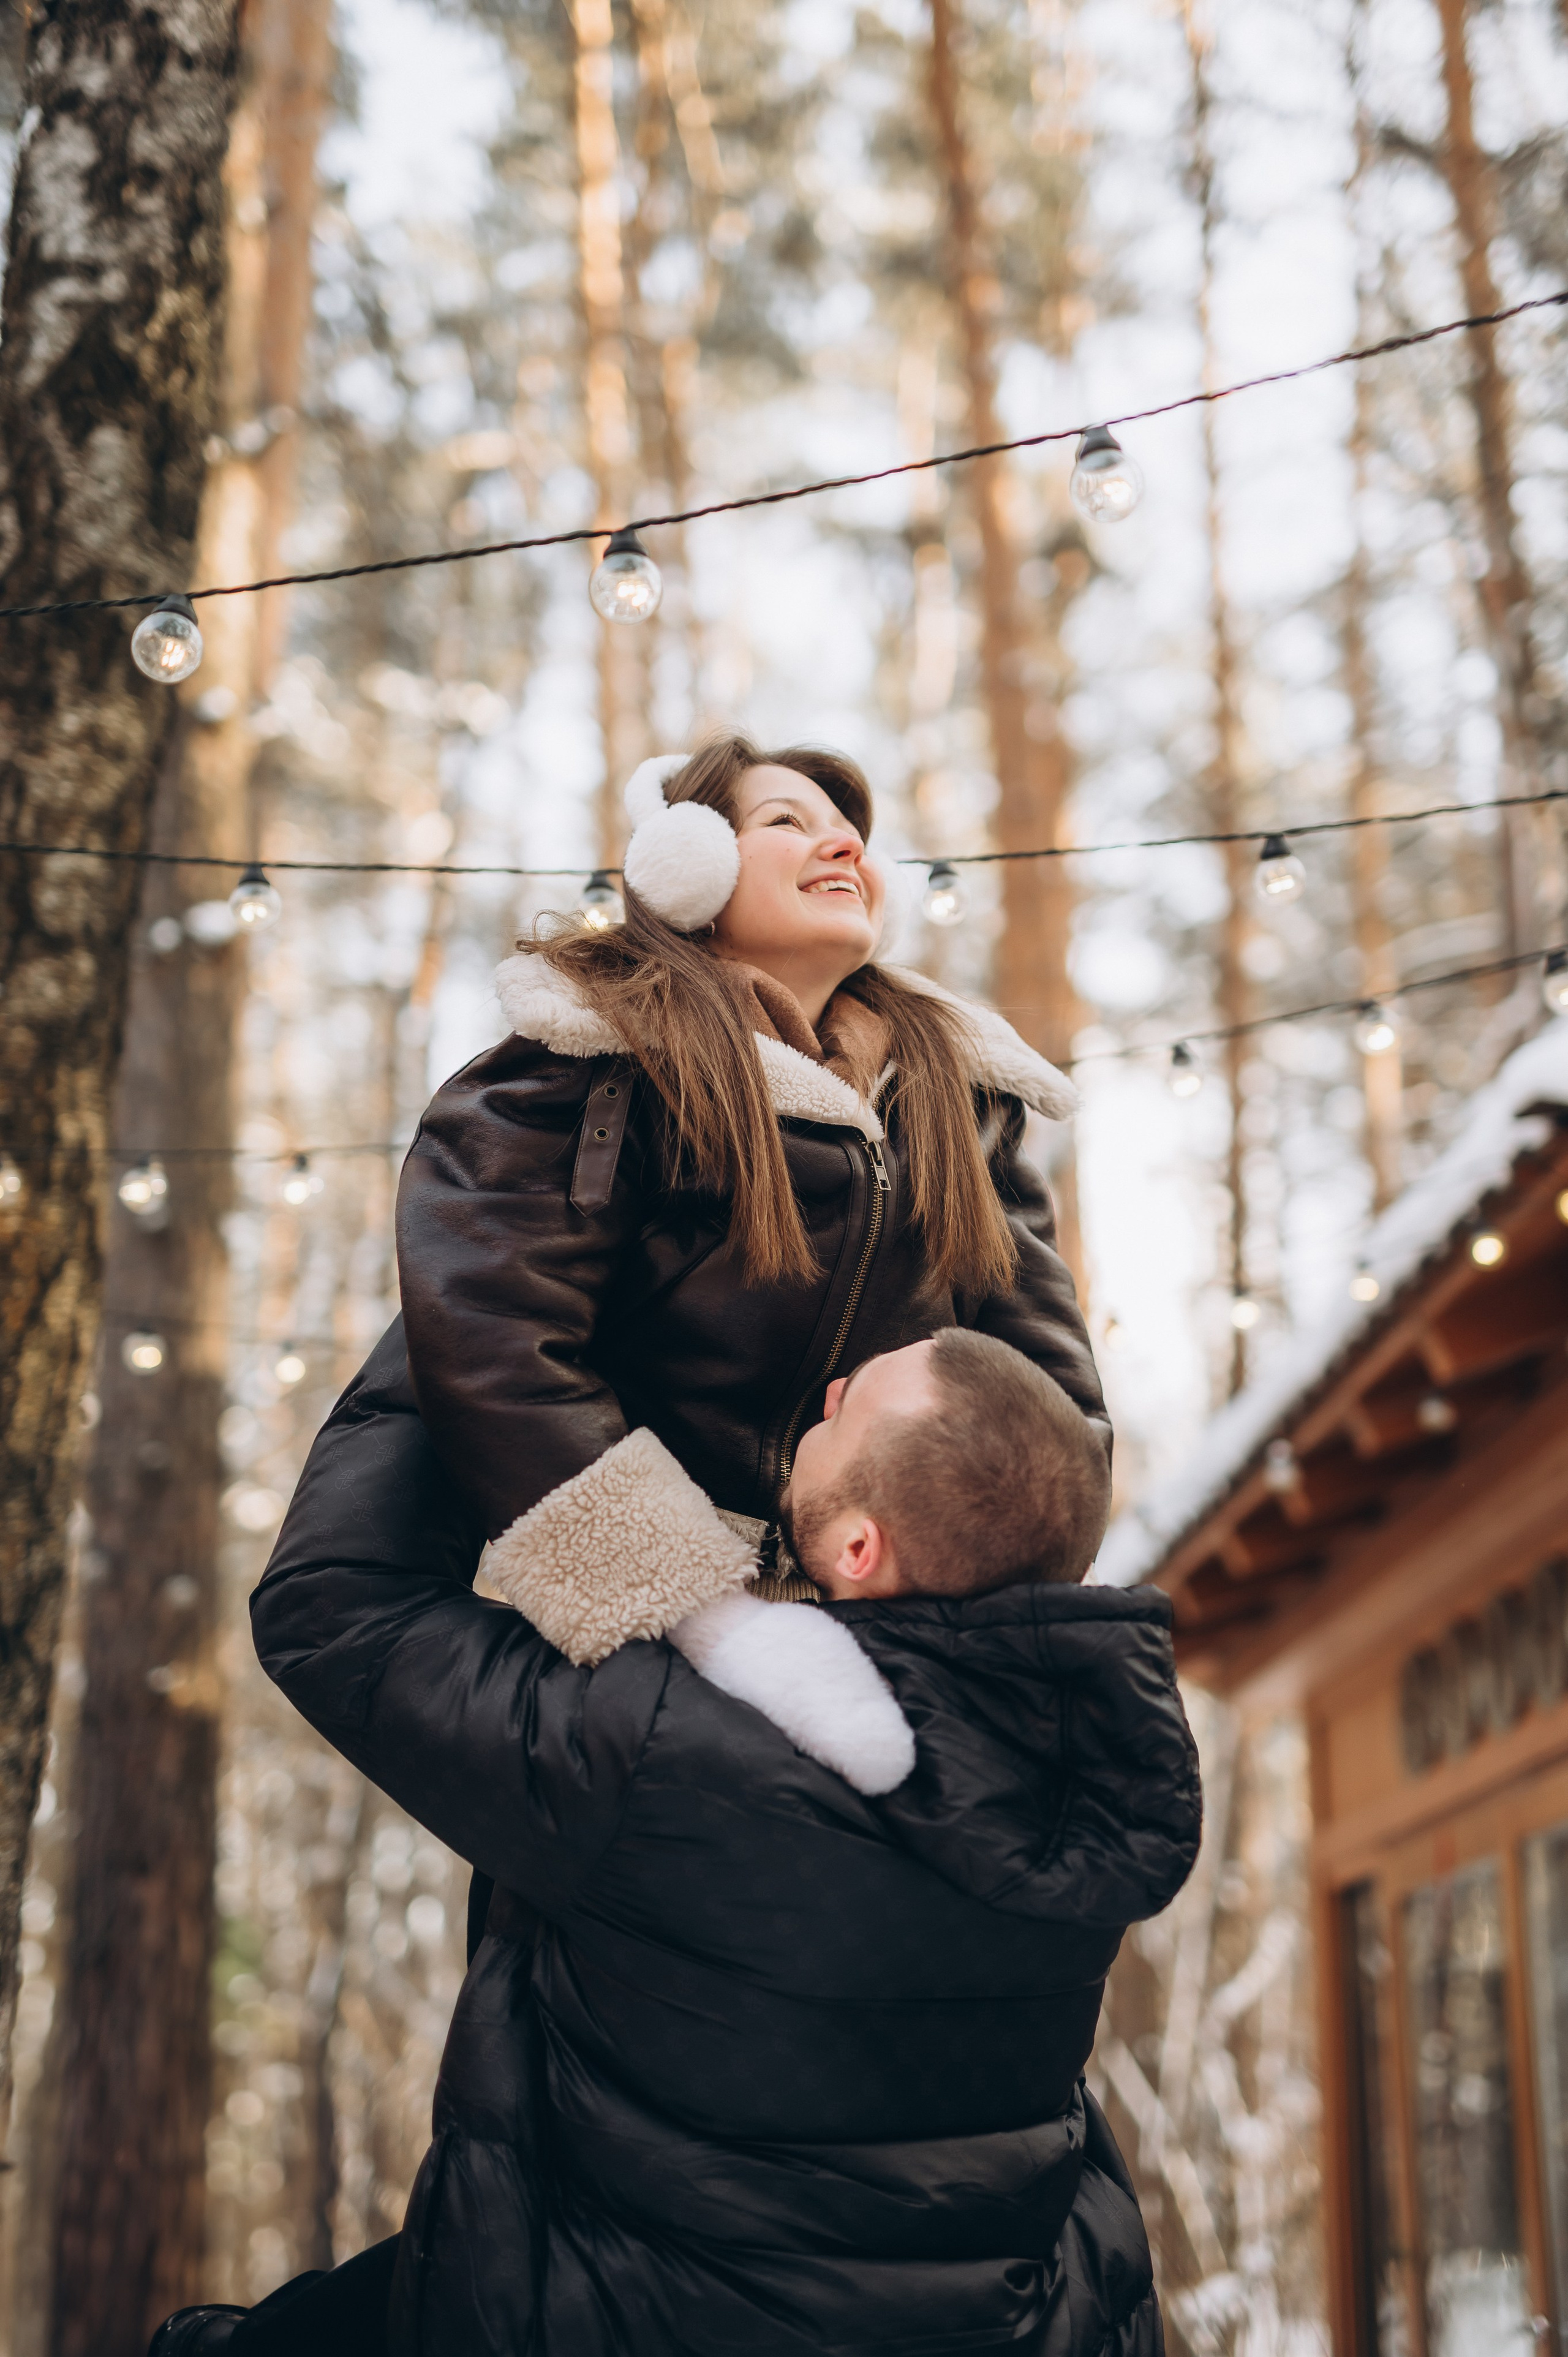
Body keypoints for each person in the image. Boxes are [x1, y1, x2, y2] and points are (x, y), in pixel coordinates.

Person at [151, 1314, 1198, 2353]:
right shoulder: (1092, 1793)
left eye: (852, 1407)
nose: (828, 1392)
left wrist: (469, 1314)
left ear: (860, 1548)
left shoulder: (675, 1756)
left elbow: (336, 1611)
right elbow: (1028, 1452)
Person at [391, 731, 1110, 1610]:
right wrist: (686, 1607)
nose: (846, 843)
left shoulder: (961, 1107)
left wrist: (971, 1604)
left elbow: (1047, 1395)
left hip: (885, 1616)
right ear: (689, 866)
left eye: (851, 829)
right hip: (645, 1625)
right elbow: (496, 1344)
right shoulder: (586, 1068)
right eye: (788, 820)